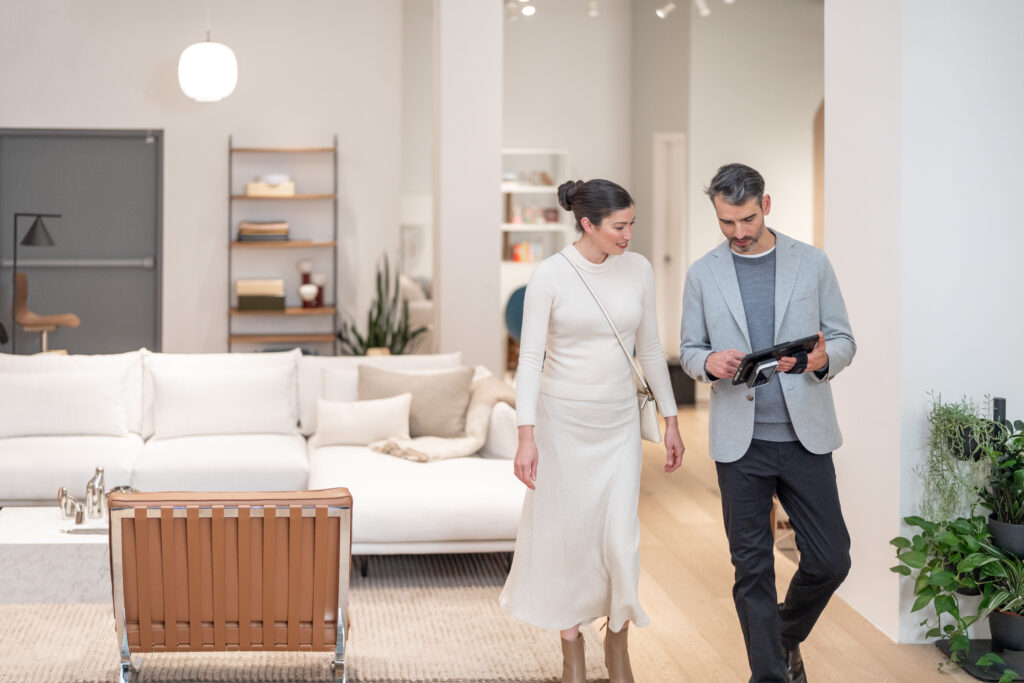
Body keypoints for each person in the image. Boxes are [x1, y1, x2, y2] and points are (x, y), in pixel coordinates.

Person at [500, 178, 685, 683]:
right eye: (618, 227)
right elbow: (530, 360)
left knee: (620, 539)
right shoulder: (551, 276)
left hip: (619, 423)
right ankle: (572, 652)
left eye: (632, 225)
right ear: (588, 225)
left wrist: (671, 419)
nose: (628, 235)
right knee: (568, 542)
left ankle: (618, 642)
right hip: (563, 426)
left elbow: (649, 349)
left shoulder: (639, 270)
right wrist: (525, 434)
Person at [679, 163, 856, 683]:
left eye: (748, 219)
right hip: (741, 445)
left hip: (806, 437)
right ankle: (770, 674)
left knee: (831, 560)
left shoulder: (812, 263)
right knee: (751, 569)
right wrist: (707, 363)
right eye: (727, 222)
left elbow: (842, 340)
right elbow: (690, 349)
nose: (738, 232)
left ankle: (782, 637)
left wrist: (820, 361)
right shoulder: (702, 273)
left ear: (767, 205)